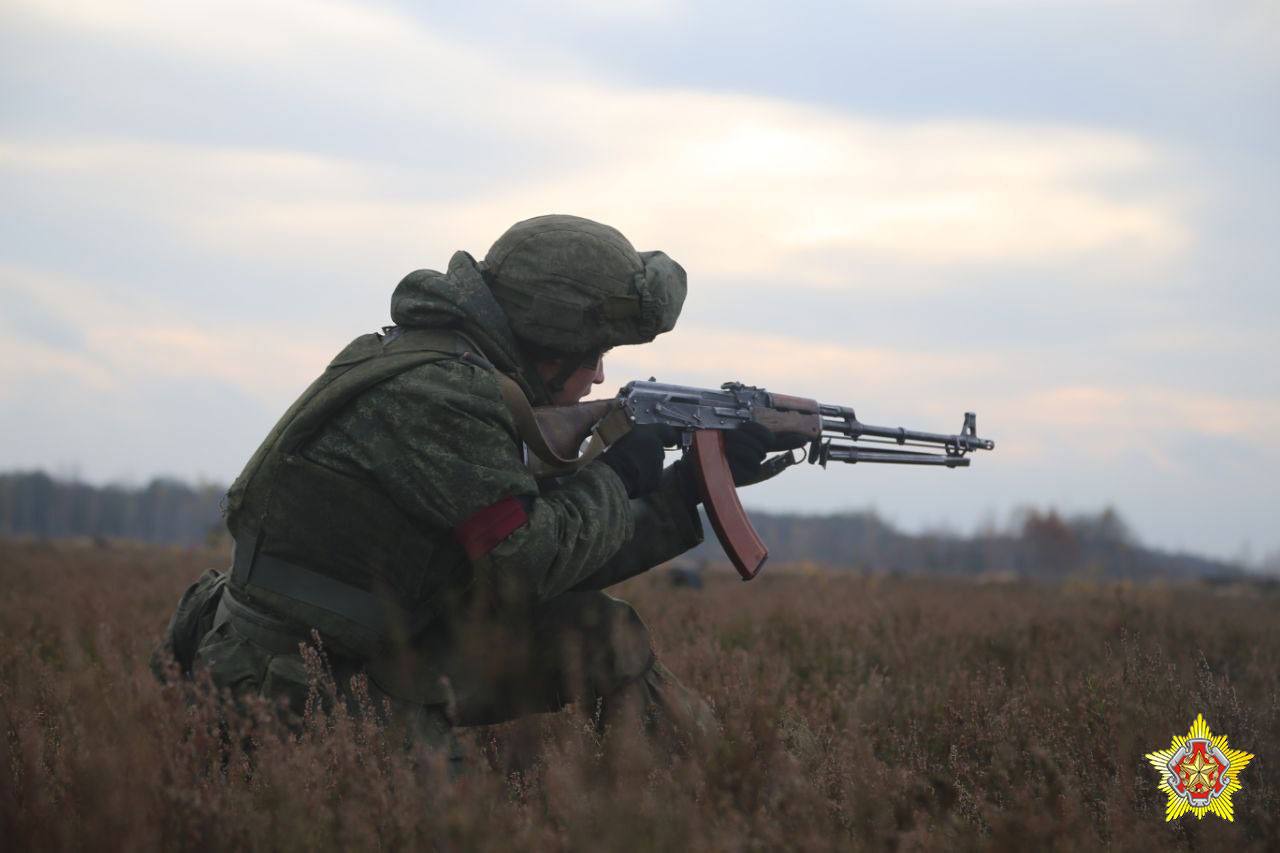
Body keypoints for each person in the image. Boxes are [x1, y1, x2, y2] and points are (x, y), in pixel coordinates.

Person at [155, 214, 774, 757]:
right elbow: (526, 565)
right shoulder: (443, 395)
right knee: (448, 822)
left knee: (601, 633)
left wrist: (684, 488)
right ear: (548, 342)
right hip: (293, 677)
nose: (599, 375)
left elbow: (540, 559)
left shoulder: (444, 367)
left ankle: (727, 787)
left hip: (362, 643)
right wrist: (613, 476)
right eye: (592, 353)